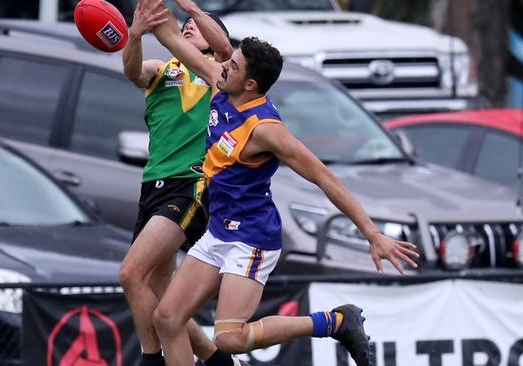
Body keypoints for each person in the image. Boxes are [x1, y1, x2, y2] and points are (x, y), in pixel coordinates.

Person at [144, 2, 421, 366]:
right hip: (217, 232)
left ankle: (334, 321)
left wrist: (372, 233)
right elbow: (169, 37)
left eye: (233, 65)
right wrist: (153, 13)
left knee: (228, 339)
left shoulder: (266, 131)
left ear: (251, 84)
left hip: (251, 238)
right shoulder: (221, 84)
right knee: (167, 317)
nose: (222, 64)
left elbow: (325, 178)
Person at [117, 1, 244, 366]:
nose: (189, 26)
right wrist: (135, 33)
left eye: (197, 26)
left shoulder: (221, 75)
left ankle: (151, 358)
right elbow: (132, 71)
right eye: (184, 24)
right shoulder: (163, 70)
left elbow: (224, 48)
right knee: (162, 302)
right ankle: (216, 359)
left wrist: (193, 9)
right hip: (153, 185)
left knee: (130, 273)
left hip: (190, 184)